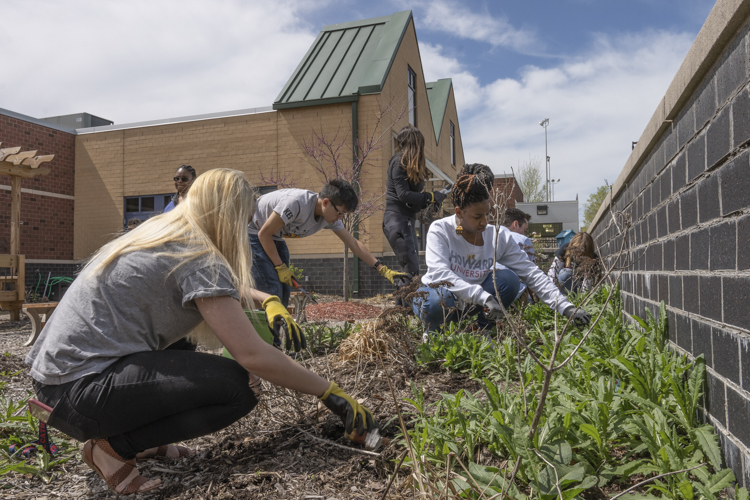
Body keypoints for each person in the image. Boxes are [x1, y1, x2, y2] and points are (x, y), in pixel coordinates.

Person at [25, 169, 378, 495]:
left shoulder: (164, 236)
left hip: (56, 389)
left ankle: (143, 438)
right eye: (243, 218)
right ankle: (113, 449)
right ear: (229, 216)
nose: (245, 228)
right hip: (80, 395)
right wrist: (331, 393)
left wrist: (267, 298)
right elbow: (252, 354)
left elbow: (213, 291)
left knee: (183, 342)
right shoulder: (198, 255)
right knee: (238, 387)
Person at [413, 164, 590, 334]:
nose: (484, 222)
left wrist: (567, 307)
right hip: (439, 297)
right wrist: (484, 298)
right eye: (477, 216)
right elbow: (440, 275)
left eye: (487, 214)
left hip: (473, 301)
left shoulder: (497, 236)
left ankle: (482, 331)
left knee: (509, 280)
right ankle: (434, 335)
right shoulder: (441, 230)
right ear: (459, 213)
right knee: (436, 300)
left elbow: (531, 273)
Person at [249, 178, 408, 308]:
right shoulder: (296, 203)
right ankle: (260, 340)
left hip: (274, 237)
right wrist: (279, 266)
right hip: (254, 233)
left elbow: (353, 243)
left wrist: (383, 270)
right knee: (270, 289)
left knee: (283, 291)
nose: (340, 218)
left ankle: (275, 339)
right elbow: (264, 233)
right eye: (340, 213)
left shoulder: (329, 217)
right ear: (325, 202)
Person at [383, 126, 447, 294]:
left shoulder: (406, 165)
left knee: (410, 271)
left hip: (405, 220)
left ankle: (404, 312)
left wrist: (433, 200)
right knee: (410, 271)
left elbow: (413, 200)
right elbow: (403, 195)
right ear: (415, 144)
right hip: (396, 220)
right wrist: (430, 197)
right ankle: (404, 313)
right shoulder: (398, 162)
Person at [501, 208, 536, 307]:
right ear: (515, 224)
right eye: (524, 230)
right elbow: (532, 273)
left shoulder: (488, 235)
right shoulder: (522, 240)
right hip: (514, 293)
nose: (524, 233)